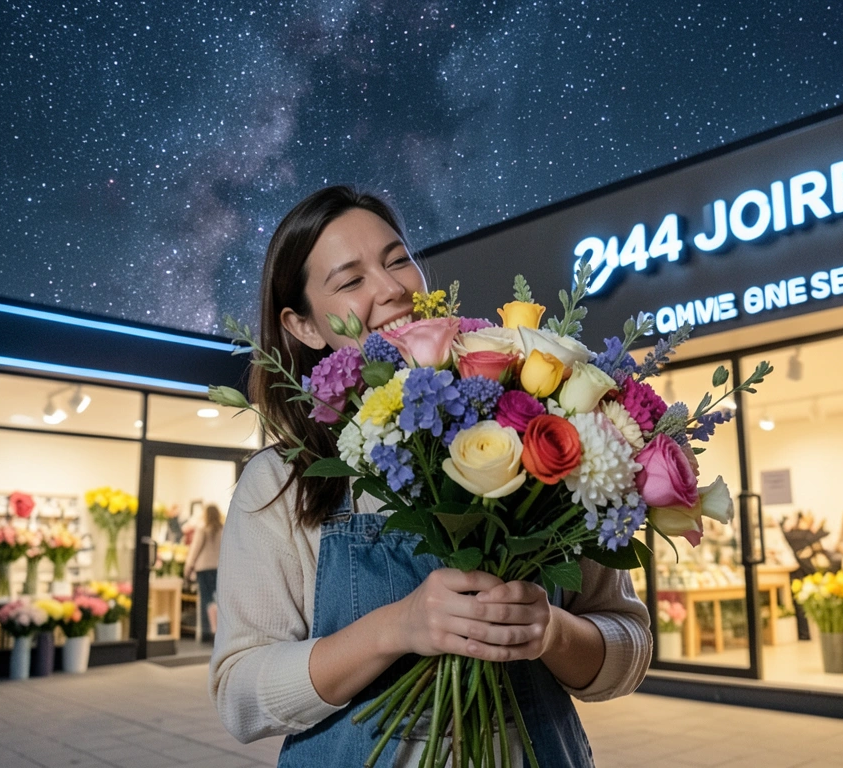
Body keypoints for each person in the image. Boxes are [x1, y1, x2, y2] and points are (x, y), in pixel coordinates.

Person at [208, 186, 651, 766]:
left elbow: (629, 643)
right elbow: (240, 696)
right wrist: (397, 627)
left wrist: (551, 631)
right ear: (304, 326)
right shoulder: (280, 484)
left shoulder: (535, 432)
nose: (391, 288)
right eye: (349, 280)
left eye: (397, 261)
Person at [185, 503, 223, 641]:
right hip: (218, 568)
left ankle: (206, 633)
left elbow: (194, 550)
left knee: (206, 600)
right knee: (217, 600)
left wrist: (188, 568)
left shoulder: (202, 529)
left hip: (203, 569)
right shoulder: (223, 529)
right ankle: (217, 631)